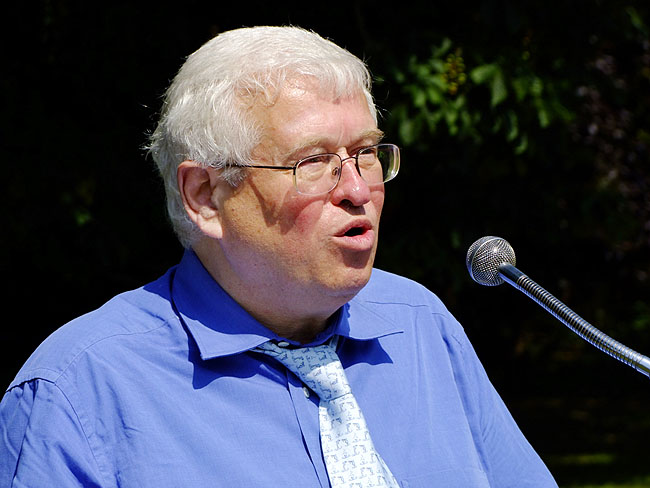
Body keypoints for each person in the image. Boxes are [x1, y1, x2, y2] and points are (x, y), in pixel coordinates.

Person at [0, 26, 557, 487]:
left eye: (366, 153)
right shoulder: (80, 389)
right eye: (312, 162)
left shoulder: (419, 324)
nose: (357, 189)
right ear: (204, 195)